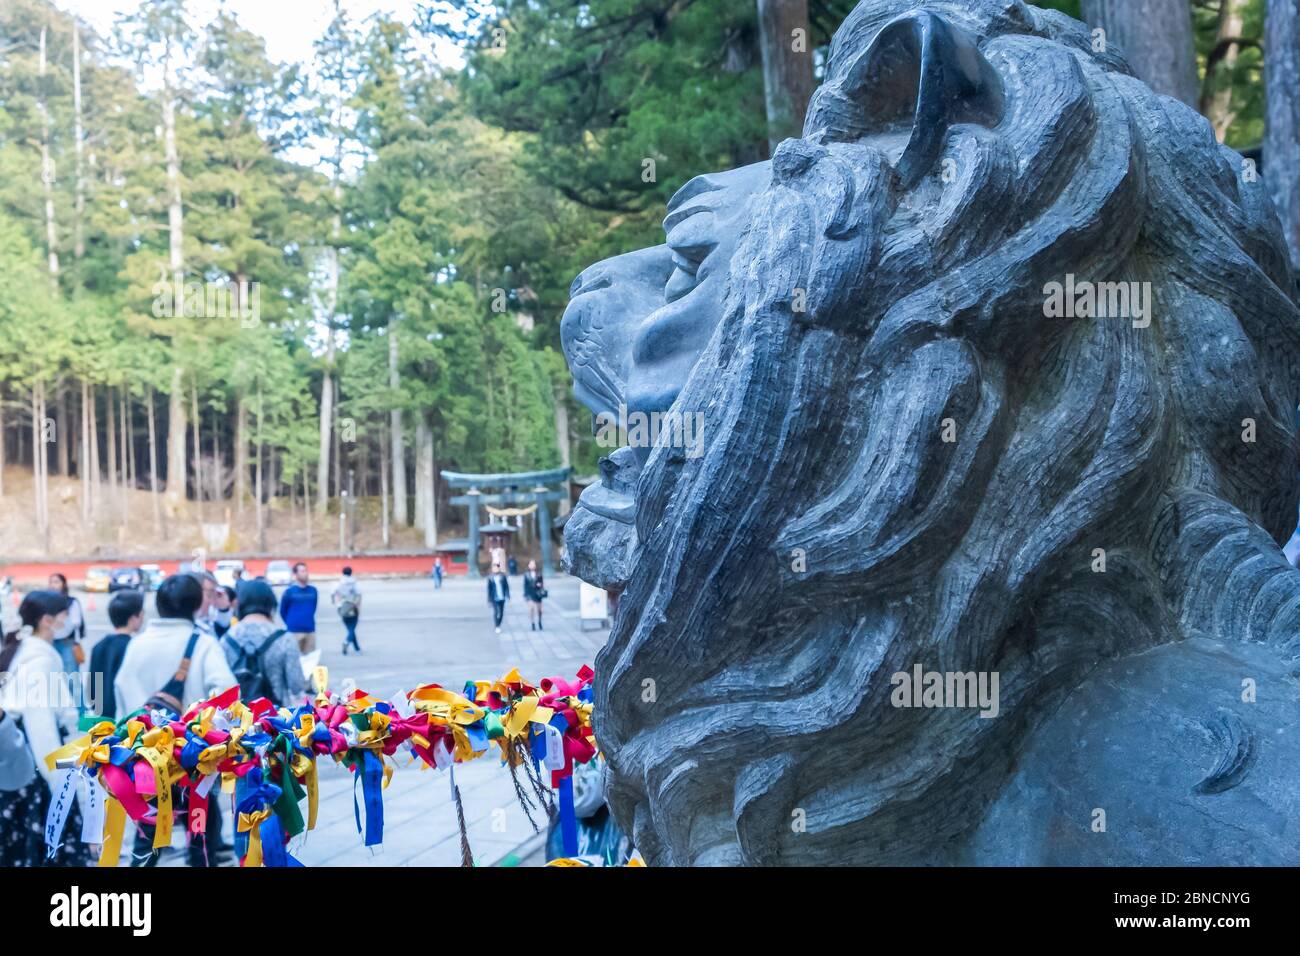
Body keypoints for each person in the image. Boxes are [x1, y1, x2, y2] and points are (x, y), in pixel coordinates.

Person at [114, 574, 237, 867]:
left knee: (147, 838)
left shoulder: (137, 644)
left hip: (146, 761)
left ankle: (129, 907)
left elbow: (122, 692)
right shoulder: (202, 643)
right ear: (197, 603)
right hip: (193, 762)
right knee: (201, 838)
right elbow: (228, 693)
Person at [0, 591, 94, 866]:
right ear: (47, 620)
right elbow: (43, 734)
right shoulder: (39, 664)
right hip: (38, 780)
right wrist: (65, 789)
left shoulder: (22, 653)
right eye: (65, 616)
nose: (69, 621)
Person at [223, 580, 304, 709]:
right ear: (270, 603)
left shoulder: (227, 639)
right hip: (276, 720)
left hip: (235, 720)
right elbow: (296, 685)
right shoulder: (285, 639)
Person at [88, 589, 145, 720]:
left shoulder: (98, 646)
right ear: (133, 618)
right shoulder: (134, 646)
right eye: (141, 613)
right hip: (125, 720)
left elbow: (92, 689)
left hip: (103, 719)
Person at [48, 573, 86, 708]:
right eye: (51, 582)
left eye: (57, 582)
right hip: (50, 644)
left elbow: (76, 623)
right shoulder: (45, 603)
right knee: (51, 680)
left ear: (64, 584)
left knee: (72, 680)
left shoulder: (71, 602)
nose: (53, 585)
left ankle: (82, 713)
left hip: (67, 643)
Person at [279, 563, 318, 654]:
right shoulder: (289, 592)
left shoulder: (313, 591)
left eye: (306, 570)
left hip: (310, 631)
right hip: (294, 632)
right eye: (302, 571)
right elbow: (282, 611)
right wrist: (291, 622)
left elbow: (313, 608)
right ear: (296, 574)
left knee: (310, 661)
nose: (305, 573)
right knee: (293, 660)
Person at [331, 566, 362, 655]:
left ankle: (357, 649)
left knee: (349, 628)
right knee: (352, 628)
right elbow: (359, 596)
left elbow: (332, 593)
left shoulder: (338, 583)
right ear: (351, 572)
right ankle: (347, 641)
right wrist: (359, 607)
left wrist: (335, 603)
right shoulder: (354, 583)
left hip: (342, 607)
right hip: (352, 607)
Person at [487, 562, 510, 634]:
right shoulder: (490, 578)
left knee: (501, 612)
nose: (495, 569)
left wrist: (508, 595)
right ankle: (497, 626)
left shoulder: (503, 576)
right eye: (494, 568)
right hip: (494, 597)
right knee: (496, 612)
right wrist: (489, 600)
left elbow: (506, 586)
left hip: (502, 597)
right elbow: (489, 589)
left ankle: (499, 623)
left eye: (496, 567)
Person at [523, 560, 546, 631]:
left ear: (535, 565)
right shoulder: (526, 574)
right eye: (531, 564)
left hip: (538, 594)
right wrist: (526, 595)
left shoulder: (539, 574)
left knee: (539, 610)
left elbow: (542, 584)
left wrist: (540, 585)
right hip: (530, 594)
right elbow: (525, 586)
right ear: (528, 565)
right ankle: (532, 623)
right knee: (531, 609)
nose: (532, 565)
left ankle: (539, 621)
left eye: (533, 564)